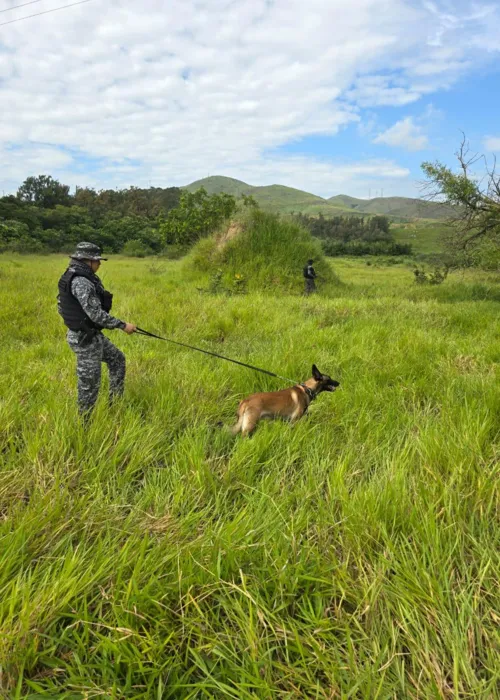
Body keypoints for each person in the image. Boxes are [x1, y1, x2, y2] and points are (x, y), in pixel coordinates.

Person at [57, 242, 136, 418]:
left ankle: (115, 403)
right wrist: (123, 325)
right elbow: (96, 315)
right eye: (97, 261)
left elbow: (60, 306)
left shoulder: (73, 275)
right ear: (88, 261)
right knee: (89, 386)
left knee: (117, 360)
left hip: (92, 335)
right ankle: (85, 425)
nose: (99, 264)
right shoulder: (81, 282)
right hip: (84, 340)